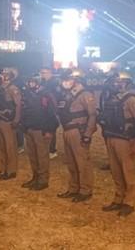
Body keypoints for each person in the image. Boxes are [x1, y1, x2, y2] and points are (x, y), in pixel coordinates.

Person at [98, 71, 135, 217]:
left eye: (121, 82)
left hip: (125, 140)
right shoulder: (111, 99)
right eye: (115, 82)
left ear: (128, 84)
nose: (117, 85)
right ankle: (119, 198)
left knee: (128, 172)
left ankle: (129, 202)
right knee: (116, 171)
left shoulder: (131, 100)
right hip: (112, 137)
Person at [55, 68, 97, 203]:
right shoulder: (67, 94)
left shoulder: (85, 95)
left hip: (78, 132)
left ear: (77, 80)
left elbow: (92, 115)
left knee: (82, 162)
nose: (65, 82)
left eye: (68, 79)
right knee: (71, 162)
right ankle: (73, 188)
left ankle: (85, 190)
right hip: (67, 130)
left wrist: (87, 134)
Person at [21, 74, 59, 190]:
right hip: (29, 129)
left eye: (33, 82)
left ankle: (43, 180)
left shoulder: (46, 95)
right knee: (33, 156)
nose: (30, 84)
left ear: (38, 83)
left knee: (42, 157)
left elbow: (53, 114)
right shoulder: (27, 94)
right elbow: (24, 111)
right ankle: (35, 177)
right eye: (29, 82)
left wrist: (49, 130)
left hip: (41, 130)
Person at [0, 67, 22, 180]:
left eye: (6, 74)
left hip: (8, 121)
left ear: (10, 76)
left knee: (10, 146)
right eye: (3, 73)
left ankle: (11, 170)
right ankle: (3, 169)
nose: (3, 75)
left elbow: (18, 105)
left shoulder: (13, 88)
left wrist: (16, 120)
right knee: (2, 146)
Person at [40, 67, 60, 159]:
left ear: (50, 73)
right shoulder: (43, 82)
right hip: (44, 109)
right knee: (45, 128)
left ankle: (52, 150)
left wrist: (55, 110)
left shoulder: (54, 83)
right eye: (42, 73)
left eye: (45, 72)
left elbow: (57, 97)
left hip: (52, 110)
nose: (43, 74)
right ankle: (47, 149)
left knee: (51, 129)